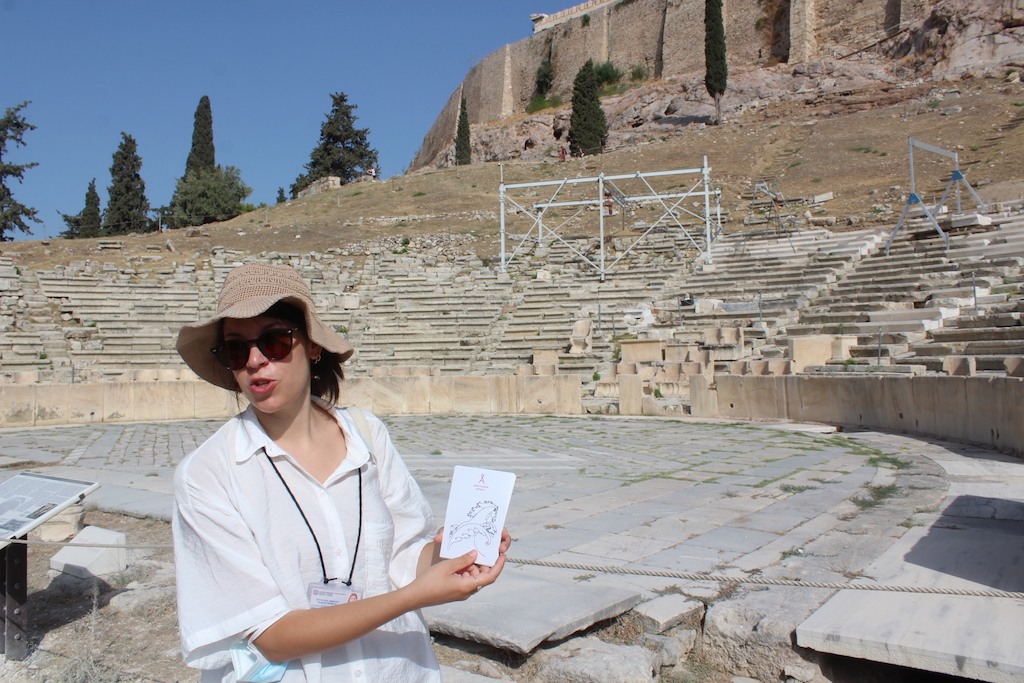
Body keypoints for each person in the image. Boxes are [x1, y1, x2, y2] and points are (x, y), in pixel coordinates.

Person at [172, 262, 510, 682]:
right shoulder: (208, 473)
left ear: (312, 346)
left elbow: (403, 554)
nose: (255, 361)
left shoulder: (367, 434)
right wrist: (410, 598)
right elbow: (268, 635)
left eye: (274, 341)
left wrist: (455, 556)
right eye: (237, 349)